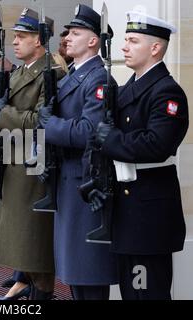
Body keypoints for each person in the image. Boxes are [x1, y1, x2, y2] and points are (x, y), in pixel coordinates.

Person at [0, 8, 66, 300]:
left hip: (34, 167)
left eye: (23, 37)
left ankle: (42, 296)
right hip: (13, 163)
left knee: (35, 244)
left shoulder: (51, 73)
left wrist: (3, 111)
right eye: (15, 37)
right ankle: (30, 289)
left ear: (39, 40)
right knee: (22, 241)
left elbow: (39, 122)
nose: (16, 42)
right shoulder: (19, 72)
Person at [94, 11, 188, 300]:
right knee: (130, 292)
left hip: (147, 217)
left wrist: (110, 139)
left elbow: (156, 144)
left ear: (155, 48)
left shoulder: (167, 92)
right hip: (125, 213)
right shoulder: (126, 89)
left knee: (146, 293)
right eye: (125, 40)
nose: (124, 47)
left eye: (133, 41)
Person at [38, 4, 118, 300]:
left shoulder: (98, 78)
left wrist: (50, 125)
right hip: (67, 180)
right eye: (68, 33)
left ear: (94, 40)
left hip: (85, 182)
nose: (67, 38)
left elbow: (89, 131)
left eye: (75, 32)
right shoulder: (73, 75)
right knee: (75, 273)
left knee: (88, 271)